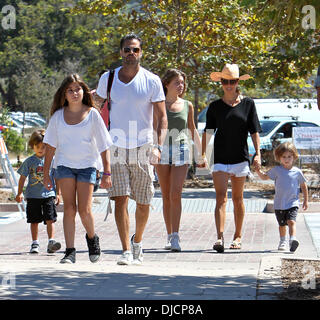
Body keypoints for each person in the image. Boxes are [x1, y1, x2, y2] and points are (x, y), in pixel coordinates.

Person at [95, 33, 167, 265]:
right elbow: (94, 109)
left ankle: (138, 242)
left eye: (135, 50)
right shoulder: (108, 78)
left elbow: (162, 118)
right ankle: (126, 249)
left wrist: (158, 146)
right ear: (121, 52)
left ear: (141, 53)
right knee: (121, 198)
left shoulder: (152, 80)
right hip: (115, 146)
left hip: (144, 146)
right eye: (127, 49)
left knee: (144, 201)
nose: (131, 54)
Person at [43, 74, 113, 264]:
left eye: (78, 89)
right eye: (70, 90)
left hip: (87, 167)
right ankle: (70, 251)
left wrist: (107, 172)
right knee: (69, 209)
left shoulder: (92, 114)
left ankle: (92, 239)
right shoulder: (58, 116)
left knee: (84, 210)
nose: (75, 93)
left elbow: (104, 146)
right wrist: (46, 173)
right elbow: (50, 146)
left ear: (84, 91)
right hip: (64, 166)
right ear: (64, 94)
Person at [200, 63, 261, 253]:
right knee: (220, 198)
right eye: (225, 81)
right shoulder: (215, 107)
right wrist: (202, 154)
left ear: (237, 82)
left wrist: (257, 154)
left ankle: (238, 236)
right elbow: (208, 132)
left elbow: (254, 131)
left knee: (238, 198)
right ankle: (219, 237)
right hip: (219, 157)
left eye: (232, 81)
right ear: (221, 82)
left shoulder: (248, 104)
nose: (229, 85)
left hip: (240, 158)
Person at [156, 69, 203, 252]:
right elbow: (153, 127)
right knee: (166, 195)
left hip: (181, 149)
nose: (181, 85)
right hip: (162, 150)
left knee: (176, 194)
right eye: (177, 82)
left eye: (182, 82)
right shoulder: (158, 104)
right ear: (167, 84)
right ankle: (169, 235)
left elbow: (193, 129)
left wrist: (201, 154)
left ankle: (176, 235)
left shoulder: (187, 105)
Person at [254, 142, 308, 252]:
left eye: (289, 156)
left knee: (291, 221)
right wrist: (258, 171)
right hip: (279, 204)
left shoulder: (297, 172)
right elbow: (264, 177)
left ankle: (292, 240)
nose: (287, 159)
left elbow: (303, 185)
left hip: (293, 203)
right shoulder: (277, 170)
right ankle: (282, 241)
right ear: (279, 157)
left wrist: (305, 200)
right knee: (282, 225)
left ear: (294, 156)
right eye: (284, 157)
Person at [16, 129, 61, 254]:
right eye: (37, 146)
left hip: (48, 194)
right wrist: (20, 192)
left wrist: (58, 193)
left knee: (50, 219)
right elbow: (22, 177)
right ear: (32, 146)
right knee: (34, 220)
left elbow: (57, 177)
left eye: (43, 147)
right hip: (33, 196)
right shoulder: (29, 161)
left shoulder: (52, 160)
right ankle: (34, 243)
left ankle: (51, 241)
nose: (40, 149)